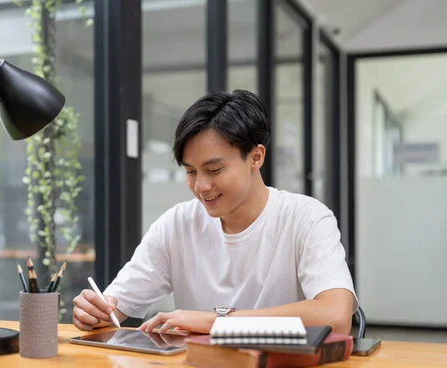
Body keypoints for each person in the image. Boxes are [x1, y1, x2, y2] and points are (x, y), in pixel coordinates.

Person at [73, 90, 357, 335]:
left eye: (214, 170)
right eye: (190, 171)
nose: (201, 186)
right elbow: (114, 308)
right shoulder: (177, 224)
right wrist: (95, 312)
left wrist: (216, 322)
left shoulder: (305, 218)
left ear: (256, 156)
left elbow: (335, 316)